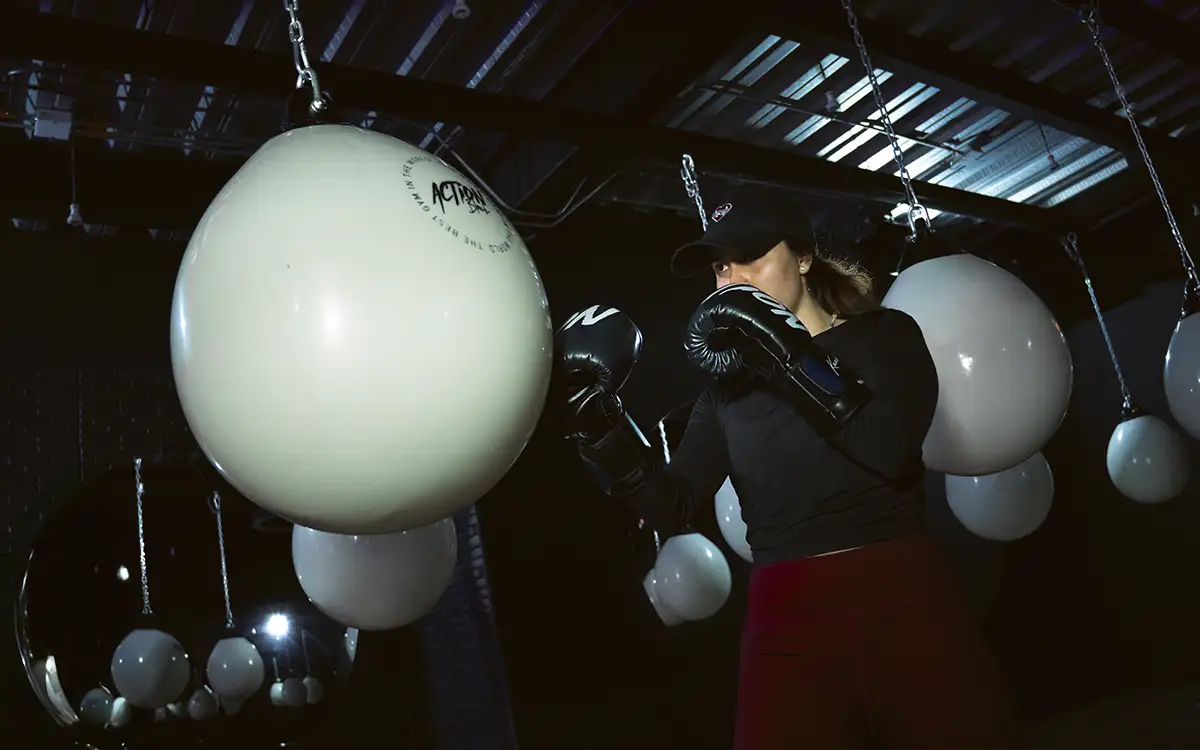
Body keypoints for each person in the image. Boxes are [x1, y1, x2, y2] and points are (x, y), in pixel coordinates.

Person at [554, 190, 1021, 749]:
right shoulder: (725, 394)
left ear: (803, 257)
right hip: (786, 614)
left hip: (901, 592)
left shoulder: (884, 335)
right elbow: (674, 507)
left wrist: (786, 352)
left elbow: (889, 447)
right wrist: (603, 429)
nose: (732, 279)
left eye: (750, 256)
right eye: (720, 267)